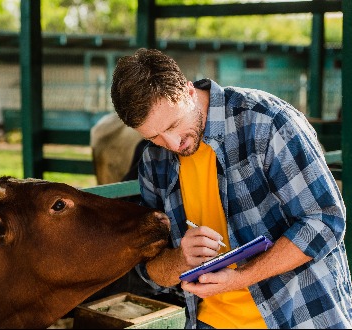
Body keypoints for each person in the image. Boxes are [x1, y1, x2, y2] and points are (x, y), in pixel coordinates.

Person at [110, 48, 352, 329]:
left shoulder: (268, 122)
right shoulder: (153, 160)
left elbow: (325, 221)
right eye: (155, 137)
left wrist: (241, 278)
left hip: (299, 316)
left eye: (174, 125)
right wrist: (179, 259)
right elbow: (150, 271)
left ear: (188, 91)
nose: (173, 144)